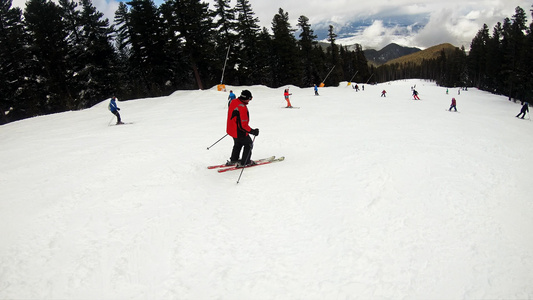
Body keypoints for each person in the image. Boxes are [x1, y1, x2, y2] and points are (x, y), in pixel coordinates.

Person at [226, 90, 259, 167]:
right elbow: (243, 126)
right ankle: (245, 162)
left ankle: (234, 159)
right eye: (250, 99)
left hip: (231, 129)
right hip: (239, 131)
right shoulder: (242, 107)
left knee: (238, 143)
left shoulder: (233, 101)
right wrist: (253, 131)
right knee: (248, 144)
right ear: (247, 98)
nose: (249, 101)